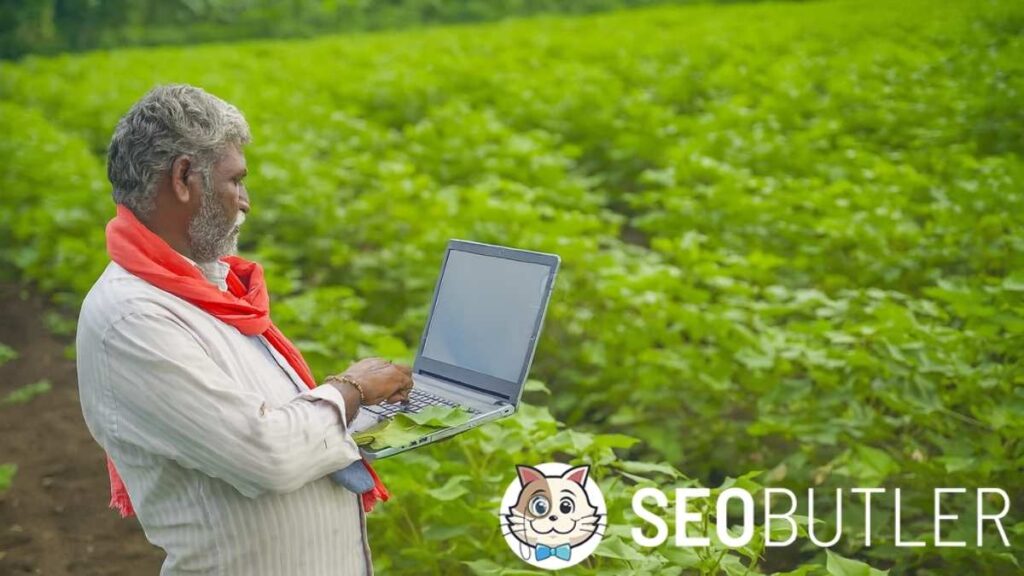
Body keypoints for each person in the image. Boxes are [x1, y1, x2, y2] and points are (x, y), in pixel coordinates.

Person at [75, 84, 412, 575]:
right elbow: (266, 452)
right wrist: (349, 390)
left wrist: (379, 410)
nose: (246, 202)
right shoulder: (132, 319)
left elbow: (276, 420)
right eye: (236, 181)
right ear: (185, 178)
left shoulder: (204, 290)